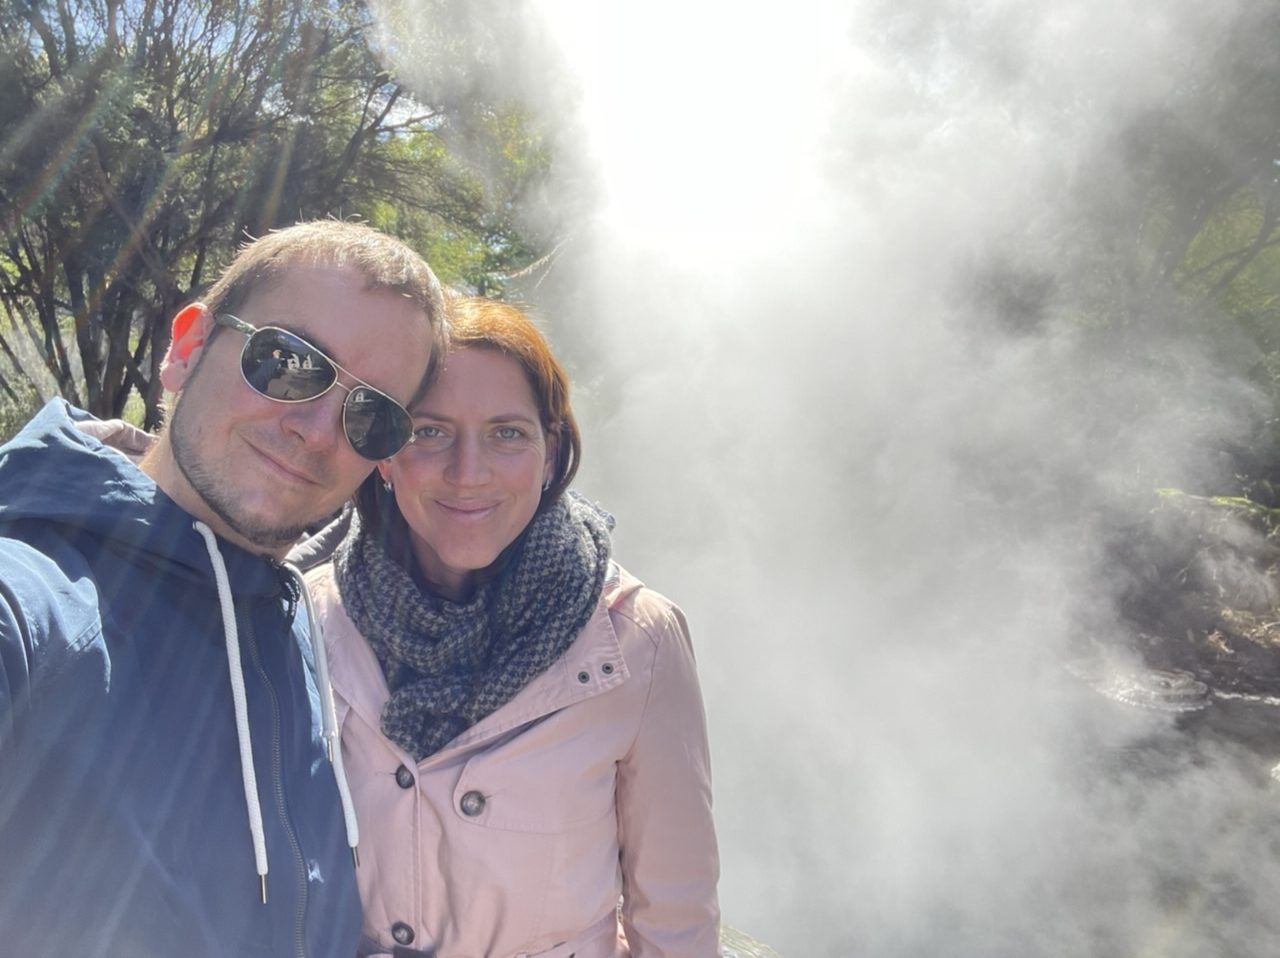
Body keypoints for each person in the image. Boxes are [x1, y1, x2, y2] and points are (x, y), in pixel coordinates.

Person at [0, 220, 445, 957]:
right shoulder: (32, 604)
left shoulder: (287, 613)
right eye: (289, 361)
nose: (317, 430)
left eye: (371, 416)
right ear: (188, 348)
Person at [303, 296, 721, 958]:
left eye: (507, 433)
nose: (468, 473)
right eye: (429, 432)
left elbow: (675, 921)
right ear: (384, 454)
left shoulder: (636, 640)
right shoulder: (311, 617)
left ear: (550, 454)